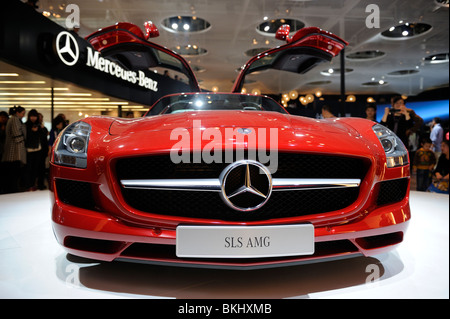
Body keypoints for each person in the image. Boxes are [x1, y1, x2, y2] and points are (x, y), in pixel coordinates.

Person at [1, 106, 27, 193]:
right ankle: (13, 190)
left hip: (13, 151)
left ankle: (12, 189)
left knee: (12, 173)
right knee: (13, 173)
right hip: (14, 152)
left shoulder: (13, 119)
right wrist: (23, 140)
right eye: (23, 113)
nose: (23, 115)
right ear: (17, 113)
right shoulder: (15, 119)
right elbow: (17, 135)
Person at [24, 109, 43, 191]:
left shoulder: (39, 125)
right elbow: (26, 137)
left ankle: (33, 185)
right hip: (29, 150)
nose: (33, 118)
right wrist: (32, 131)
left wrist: (39, 129)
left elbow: (42, 136)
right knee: (28, 168)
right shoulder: (26, 125)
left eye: (35, 116)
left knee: (35, 168)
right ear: (29, 117)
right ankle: (28, 185)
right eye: (32, 116)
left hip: (38, 150)